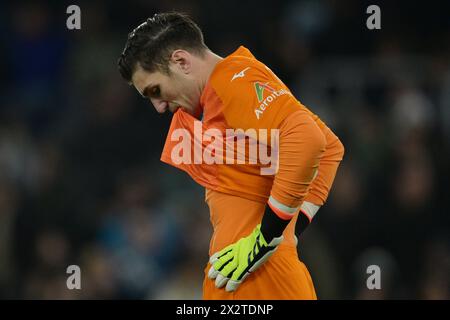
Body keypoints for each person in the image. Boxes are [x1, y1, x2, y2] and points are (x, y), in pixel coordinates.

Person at [118, 12, 344, 300]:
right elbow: (330, 147)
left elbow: (310, 139)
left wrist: (267, 237)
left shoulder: (232, 81)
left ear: (182, 62)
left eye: (155, 90)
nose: (158, 107)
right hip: (248, 271)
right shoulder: (229, 85)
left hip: (259, 280)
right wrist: (288, 228)